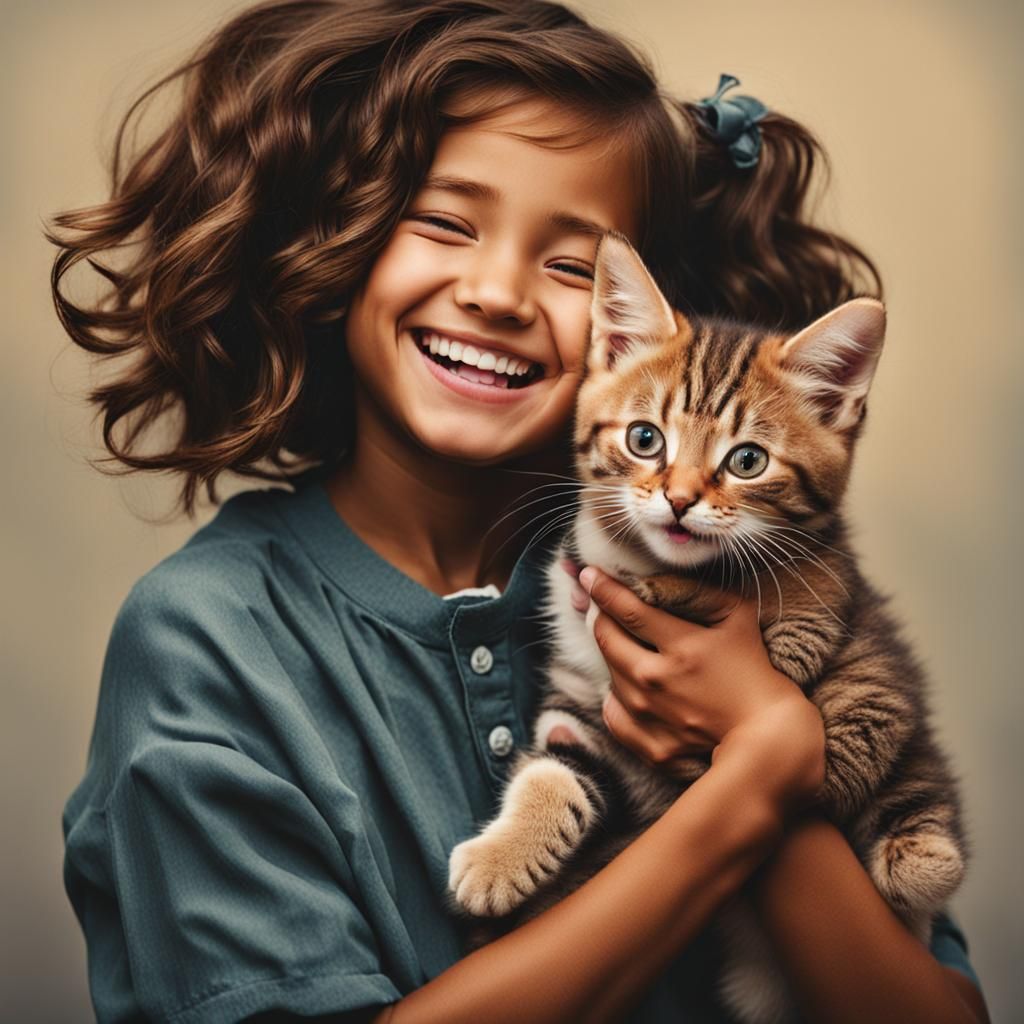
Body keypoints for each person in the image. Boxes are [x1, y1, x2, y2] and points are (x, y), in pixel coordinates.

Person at [52, 1, 988, 1021]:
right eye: (446, 222)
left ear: (635, 335)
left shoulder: (736, 593)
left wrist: (767, 732)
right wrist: (746, 787)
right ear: (341, 241)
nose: (498, 292)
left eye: (575, 264)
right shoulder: (210, 637)